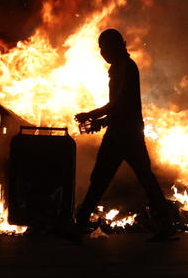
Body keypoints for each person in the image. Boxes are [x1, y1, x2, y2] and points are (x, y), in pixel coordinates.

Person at [74, 28, 176, 241]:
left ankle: (165, 224)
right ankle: (81, 221)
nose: (102, 53)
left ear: (116, 46)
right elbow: (120, 108)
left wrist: (93, 114)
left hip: (127, 135)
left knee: (135, 178)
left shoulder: (126, 68)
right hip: (120, 132)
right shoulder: (119, 67)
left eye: (104, 48)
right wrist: (102, 122)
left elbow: (120, 103)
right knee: (104, 178)